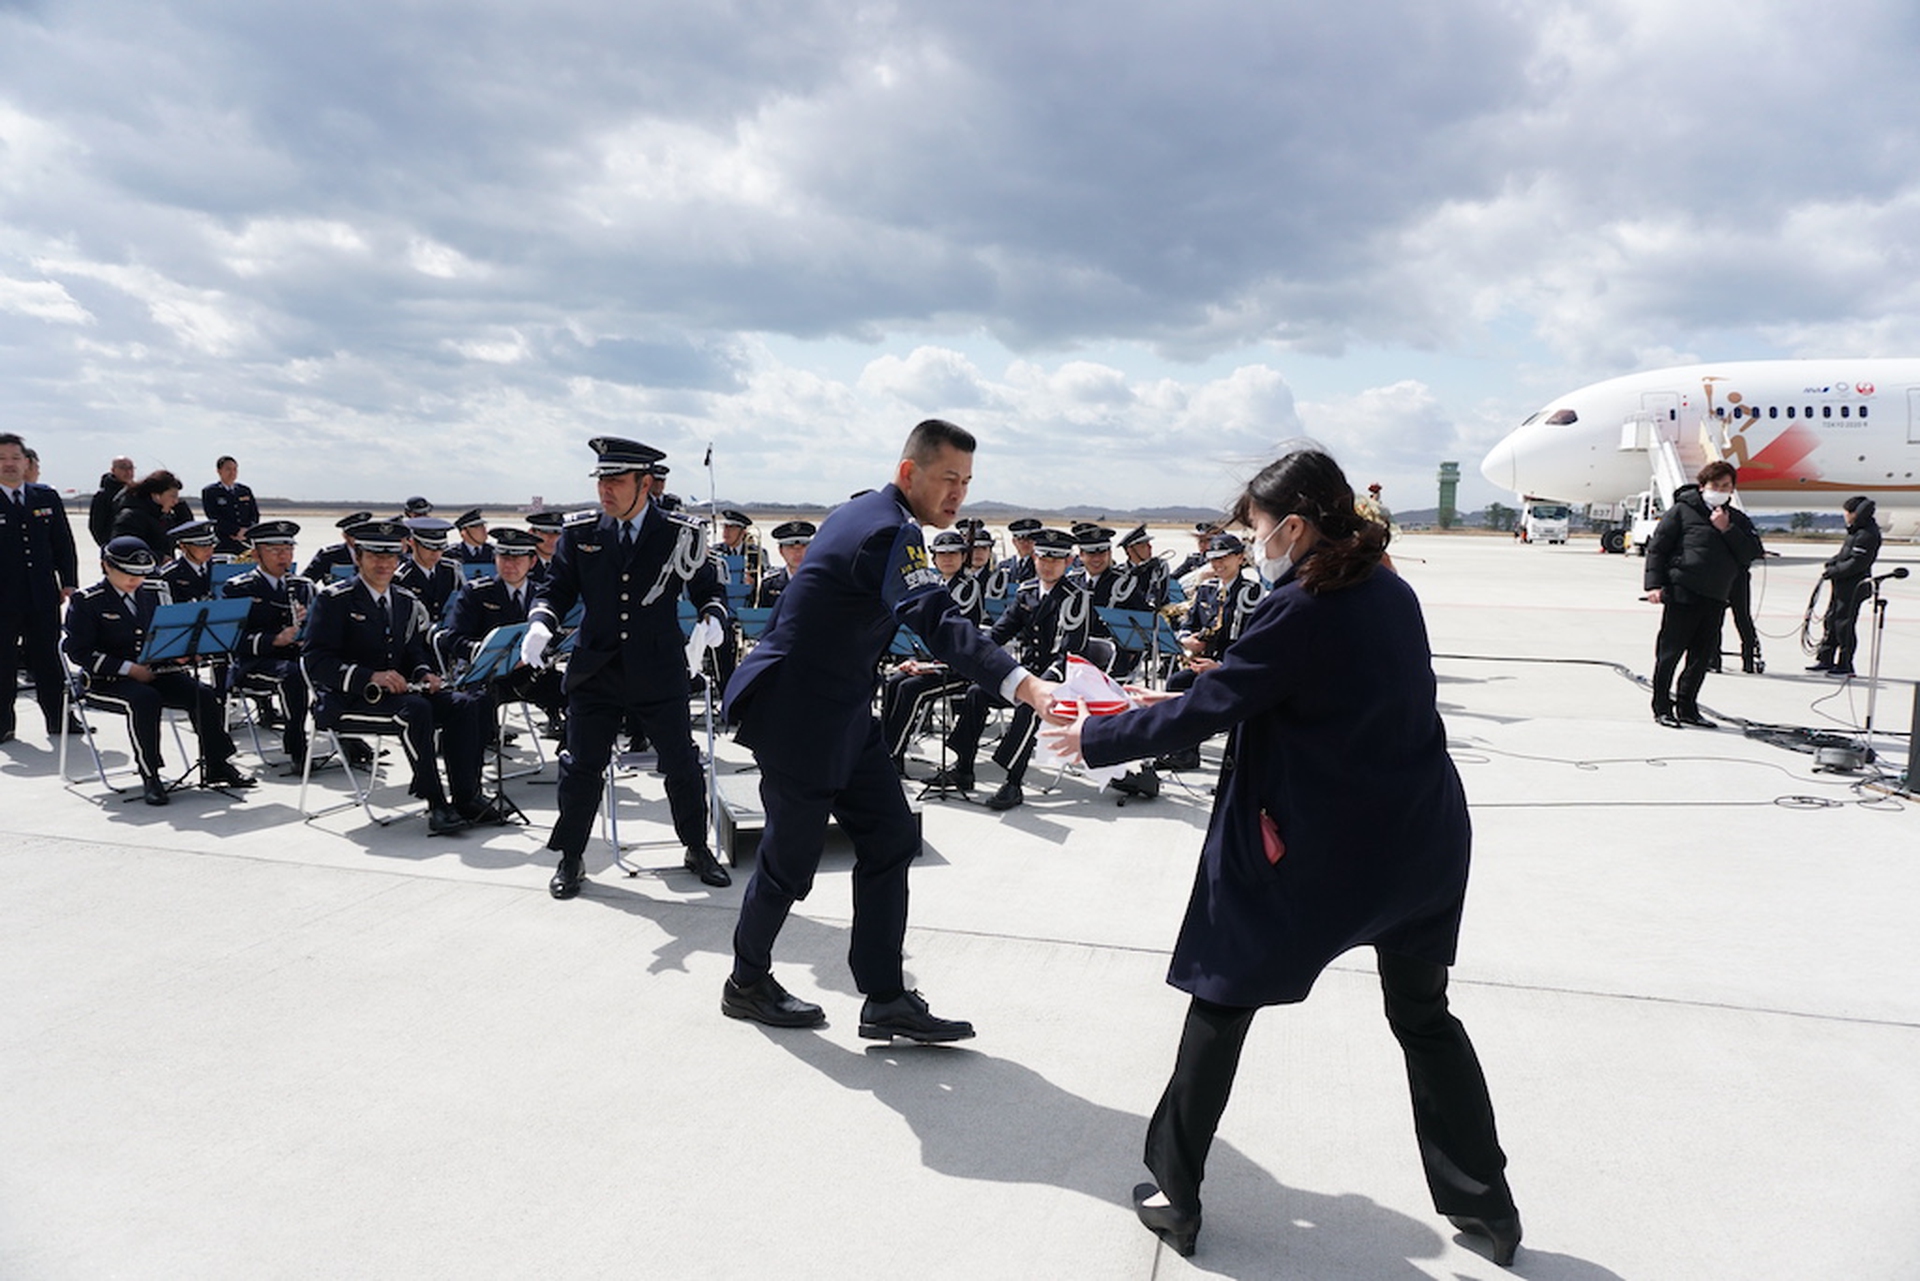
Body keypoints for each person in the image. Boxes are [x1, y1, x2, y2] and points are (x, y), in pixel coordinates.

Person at [1039, 448, 1521, 1267]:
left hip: (1317, 851)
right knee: (1424, 1018)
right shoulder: (1387, 590)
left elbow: (1232, 698)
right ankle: (1488, 1209)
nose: (1253, 543)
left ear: (1293, 525)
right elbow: (1292, 687)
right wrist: (1188, 694)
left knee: (1220, 1001)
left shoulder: (1299, 606)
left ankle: (1176, 1192)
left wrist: (1096, 735)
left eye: (1257, 529)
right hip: (1419, 844)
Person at [719, 419, 1057, 1041]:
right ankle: (745, 981)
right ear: (910, 473)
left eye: (967, 481)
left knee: (891, 837)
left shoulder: (867, 515)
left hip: (843, 710)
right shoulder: (886, 531)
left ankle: (885, 997)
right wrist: (1023, 684)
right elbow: (936, 617)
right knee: (789, 860)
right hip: (799, 715)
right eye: (948, 478)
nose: (958, 494)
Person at [518, 438, 734, 895]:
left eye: (616, 481)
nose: (605, 491)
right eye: (601, 481)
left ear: (646, 484)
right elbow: (555, 589)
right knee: (581, 767)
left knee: (682, 764)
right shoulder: (580, 533)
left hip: (659, 668)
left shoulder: (680, 532)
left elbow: (709, 590)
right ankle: (572, 857)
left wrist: (713, 619)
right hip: (596, 670)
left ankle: (696, 846)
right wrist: (540, 622)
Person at [301, 520, 500, 835]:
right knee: (416, 711)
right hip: (348, 699)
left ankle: (467, 796)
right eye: (374, 556)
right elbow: (315, 662)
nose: (383, 564)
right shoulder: (335, 599)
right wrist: (370, 676)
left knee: (466, 703)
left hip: (397, 696)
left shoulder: (404, 600)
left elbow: (412, 650)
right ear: (359, 558)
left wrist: (424, 672)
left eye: (391, 557)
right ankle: (436, 802)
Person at [64, 537, 255, 804]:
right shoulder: (87, 600)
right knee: (145, 700)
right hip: (106, 680)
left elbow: (165, 635)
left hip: (157, 672)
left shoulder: (154, 592)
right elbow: (77, 651)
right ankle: (150, 774)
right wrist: (129, 669)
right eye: (128, 573)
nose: (135, 579)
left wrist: (181, 653)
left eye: (141, 574)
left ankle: (217, 763)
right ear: (105, 566)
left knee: (204, 695)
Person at [933, 527, 1091, 812]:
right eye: (1043, 558)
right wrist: (971, 656)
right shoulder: (1027, 591)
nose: (1047, 565)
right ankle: (964, 768)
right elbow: (999, 632)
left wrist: (1037, 686)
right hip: (1027, 673)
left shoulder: (1076, 597)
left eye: (1056, 559)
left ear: (1068, 562)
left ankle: (1013, 782)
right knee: (977, 693)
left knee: (1027, 708)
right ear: (1035, 558)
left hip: (1059, 681)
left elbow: (1071, 653)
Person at [1642, 462, 1764, 727]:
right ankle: (1662, 707)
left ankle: (1688, 707)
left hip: (1716, 597)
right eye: (1715, 486)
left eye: (1726, 486)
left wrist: (1726, 529)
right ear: (1703, 487)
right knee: (1669, 654)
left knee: (1700, 657)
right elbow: (1658, 549)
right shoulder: (1682, 512)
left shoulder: (1737, 519)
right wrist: (1654, 585)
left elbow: (1751, 553)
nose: (1720, 490)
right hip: (1682, 592)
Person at [879, 528, 981, 773]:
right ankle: (885, 750)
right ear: (933, 558)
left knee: (910, 689)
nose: (947, 559)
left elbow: (953, 638)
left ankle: (894, 755)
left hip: (958, 668)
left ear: (963, 556)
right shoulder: (932, 585)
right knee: (893, 682)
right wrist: (914, 661)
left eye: (954, 554)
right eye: (941, 554)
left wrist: (927, 665)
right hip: (930, 661)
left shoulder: (967, 588)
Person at [1, 432, 81, 743]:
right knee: (3, 663)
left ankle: (59, 718)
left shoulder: (45, 497)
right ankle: (3, 724)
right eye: (2, 459)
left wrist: (70, 582)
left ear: (26, 462)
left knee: (49, 659)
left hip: (42, 595)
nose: (9, 464)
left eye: (15, 458)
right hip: (3, 600)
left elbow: (63, 543)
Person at [222, 520, 316, 771]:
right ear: (256, 553)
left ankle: (347, 737)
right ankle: (297, 745)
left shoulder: (303, 586)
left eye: (288, 550)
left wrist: (310, 628)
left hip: (295, 656)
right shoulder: (239, 588)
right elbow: (230, 639)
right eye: (275, 551)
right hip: (254, 662)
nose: (283, 557)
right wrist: (274, 639)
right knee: (294, 675)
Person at [1807, 496, 1882, 678]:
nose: (1845, 516)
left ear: (1855, 514)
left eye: (1847, 513)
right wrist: (1832, 563)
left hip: (1854, 587)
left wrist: (1834, 571)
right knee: (1831, 620)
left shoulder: (1868, 534)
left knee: (1844, 625)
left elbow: (1857, 563)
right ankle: (1825, 658)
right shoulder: (1856, 532)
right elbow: (1845, 555)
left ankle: (1845, 664)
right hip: (1842, 585)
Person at [110, 469, 190, 560]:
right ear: (156, 495)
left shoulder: (163, 517)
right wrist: (159, 558)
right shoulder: (132, 517)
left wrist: (181, 508)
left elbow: (187, 532)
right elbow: (124, 549)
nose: (175, 501)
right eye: (172, 496)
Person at [200, 456, 259, 555]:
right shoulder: (211, 491)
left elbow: (254, 514)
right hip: (223, 541)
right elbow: (213, 516)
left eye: (235, 469)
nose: (232, 473)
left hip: (245, 541)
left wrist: (247, 531)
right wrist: (235, 531)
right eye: (228, 469)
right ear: (219, 471)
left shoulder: (244, 490)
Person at [752, 520, 815, 608]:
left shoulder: (823, 583)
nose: (797, 553)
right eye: (791, 547)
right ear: (781, 551)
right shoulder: (769, 585)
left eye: (803, 546)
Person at [155, 519, 220, 602]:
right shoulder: (170, 575)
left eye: (211, 545)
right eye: (201, 546)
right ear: (183, 547)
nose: (208, 550)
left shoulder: (219, 567)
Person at [303, 512, 373, 583]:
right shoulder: (329, 555)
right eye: (354, 535)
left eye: (363, 534)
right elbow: (307, 580)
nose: (359, 539)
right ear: (345, 536)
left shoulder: (378, 554)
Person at [89, 456, 135, 548]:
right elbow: (96, 526)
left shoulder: (136, 492)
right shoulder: (103, 495)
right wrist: (106, 545)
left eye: (130, 468)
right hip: (112, 545)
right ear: (113, 470)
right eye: (123, 468)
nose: (128, 472)